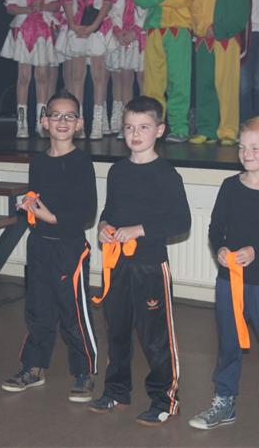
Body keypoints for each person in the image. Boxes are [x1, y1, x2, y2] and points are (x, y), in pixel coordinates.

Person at [188, 116, 259, 448]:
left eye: (255, 148)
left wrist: (258, 252)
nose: (246, 153)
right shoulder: (229, 186)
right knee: (227, 345)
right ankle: (224, 401)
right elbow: (215, 230)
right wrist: (221, 250)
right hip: (229, 283)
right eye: (242, 147)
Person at [88, 96, 191, 426]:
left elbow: (181, 221)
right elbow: (110, 211)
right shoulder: (118, 171)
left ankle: (165, 399)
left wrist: (139, 230)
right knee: (117, 331)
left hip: (150, 266)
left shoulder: (166, 174)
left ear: (159, 130)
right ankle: (116, 390)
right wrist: (104, 226)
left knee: (155, 337)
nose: (135, 134)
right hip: (117, 265)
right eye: (130, 127)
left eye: (144, 127)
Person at [1, 89, 98, 402]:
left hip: (70, 248)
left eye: (69, 116)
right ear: (44, 122)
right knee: (38, 310)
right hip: (40, 246)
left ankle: (83, 372)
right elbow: (39, 199)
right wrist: (30, 205)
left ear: (79, 124)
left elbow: (87, 212)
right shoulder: (39, 162)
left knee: (73, 313)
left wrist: (53, 217)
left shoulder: (82, 162)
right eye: (56, 115)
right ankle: (33, 367)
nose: (62, 121)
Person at [134, 0, 195, 143]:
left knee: (178, 82)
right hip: (155, 31)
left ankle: (179, 128)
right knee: (152, 84)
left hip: (178, 30)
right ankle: (151, 128)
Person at [190, 0, 250, 146]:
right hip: (203, 41)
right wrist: (202, 29)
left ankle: (228, 130)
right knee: (204, 85)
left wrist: (219, 30)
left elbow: (241, 11)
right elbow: (195, 8)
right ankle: (206, 129)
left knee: (227, 86)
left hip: (227, 40)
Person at [0, 0, 60, 138]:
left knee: (42, 76)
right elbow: (10, 7)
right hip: (24, 28)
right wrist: (28, 9)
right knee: (23, 77)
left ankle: (41, 122)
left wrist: (42, 6)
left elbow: (58, 3)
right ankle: (21, 123)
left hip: (44, 28)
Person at [62, 0, 119, 139]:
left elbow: (108, 0)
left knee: (98, 75)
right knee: (77, 75)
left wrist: (95, 25)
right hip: (78, 23)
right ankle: (77, 123)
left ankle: (97, 123)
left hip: (98, 24)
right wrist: (72, 24)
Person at [106, 0, 149, 139]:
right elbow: (115, 8)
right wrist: (118, 30)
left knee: (143, 79)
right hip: (124, 36)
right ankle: (128, 124)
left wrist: (136, 30)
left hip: (141, 36)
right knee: (125, 78)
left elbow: (148, 9)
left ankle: (146, 122)